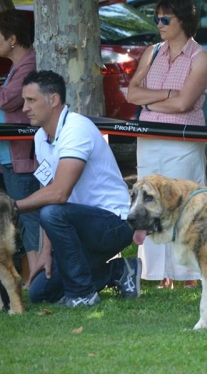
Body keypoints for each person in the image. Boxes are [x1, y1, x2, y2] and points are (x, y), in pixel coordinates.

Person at [18, 70, 139, 307]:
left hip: (115, 223)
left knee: (52, 212)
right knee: (39, 293)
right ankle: (119, 271)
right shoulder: (40, 137)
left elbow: (59, 193)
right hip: (79, 226)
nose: (24, 108)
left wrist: (13, 207)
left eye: (31, 100)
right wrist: (45, 252)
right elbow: (48, 196)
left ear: (53, 100)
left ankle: (83, 294)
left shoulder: (76, 128)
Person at [127, 0, 207, 290]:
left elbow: (185, 102)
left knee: (184, 202)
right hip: (149, 139)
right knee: (149, 200)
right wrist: (164, 93)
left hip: (183, 140)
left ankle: (190, 272)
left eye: (166, 19)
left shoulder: (201, 57)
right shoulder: (151, 53)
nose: (159, 24)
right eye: (158, 18)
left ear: (183, 21)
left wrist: (149, 100)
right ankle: (160, 273)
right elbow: (131, 94)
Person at [0, 9, 40, 283]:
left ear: (12, 39)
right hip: (9, 155)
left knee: (27, 218)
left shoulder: (28, 65)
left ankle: (36, 279)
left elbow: (8, 100)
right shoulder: (19, 66)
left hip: (20, 158)